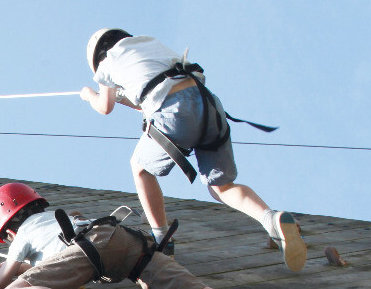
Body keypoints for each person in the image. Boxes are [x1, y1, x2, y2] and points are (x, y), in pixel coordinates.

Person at [79, 29, 308, 272]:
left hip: (174, 110)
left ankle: (162, 239)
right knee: (222, 187)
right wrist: (124, 97)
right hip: (208, 105)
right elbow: (152, 93)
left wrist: (89, 95)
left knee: (140, 168)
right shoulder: (151, 44)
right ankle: (270, 219)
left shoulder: (107, 62)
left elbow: (105, 107)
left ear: (98, 57)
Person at [0, 182, 331, 289]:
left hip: (90, 252)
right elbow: (51, 263)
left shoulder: (22, 234)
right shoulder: (58, 218)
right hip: (126, 244)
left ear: (8, 228)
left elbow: (1, 284)